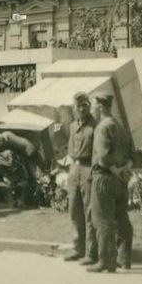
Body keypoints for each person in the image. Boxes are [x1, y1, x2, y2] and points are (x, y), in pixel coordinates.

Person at [87, 93, 134, 273]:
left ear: (100, 108)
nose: (92, 109)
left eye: (93, 106)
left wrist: (114, 169)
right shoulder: (121, 127)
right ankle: (125, 259)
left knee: (102, 220)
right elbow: (132, 155)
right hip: (121, 182)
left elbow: (103, 157)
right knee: (122, 219)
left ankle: (106, 261)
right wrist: (123, 171)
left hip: (104, 179)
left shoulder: (102, 127)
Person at [62, 92, 98, 265]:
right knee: (74, 210)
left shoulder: (95, 126)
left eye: (85, 105)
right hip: (74, 168)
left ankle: (91, 253)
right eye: (78, 106)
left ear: (89, 106)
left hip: (88, 168)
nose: (82, 108)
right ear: (74, 108)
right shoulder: (72, 126)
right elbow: (70, 147)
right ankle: (78, 248)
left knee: (89, 211)